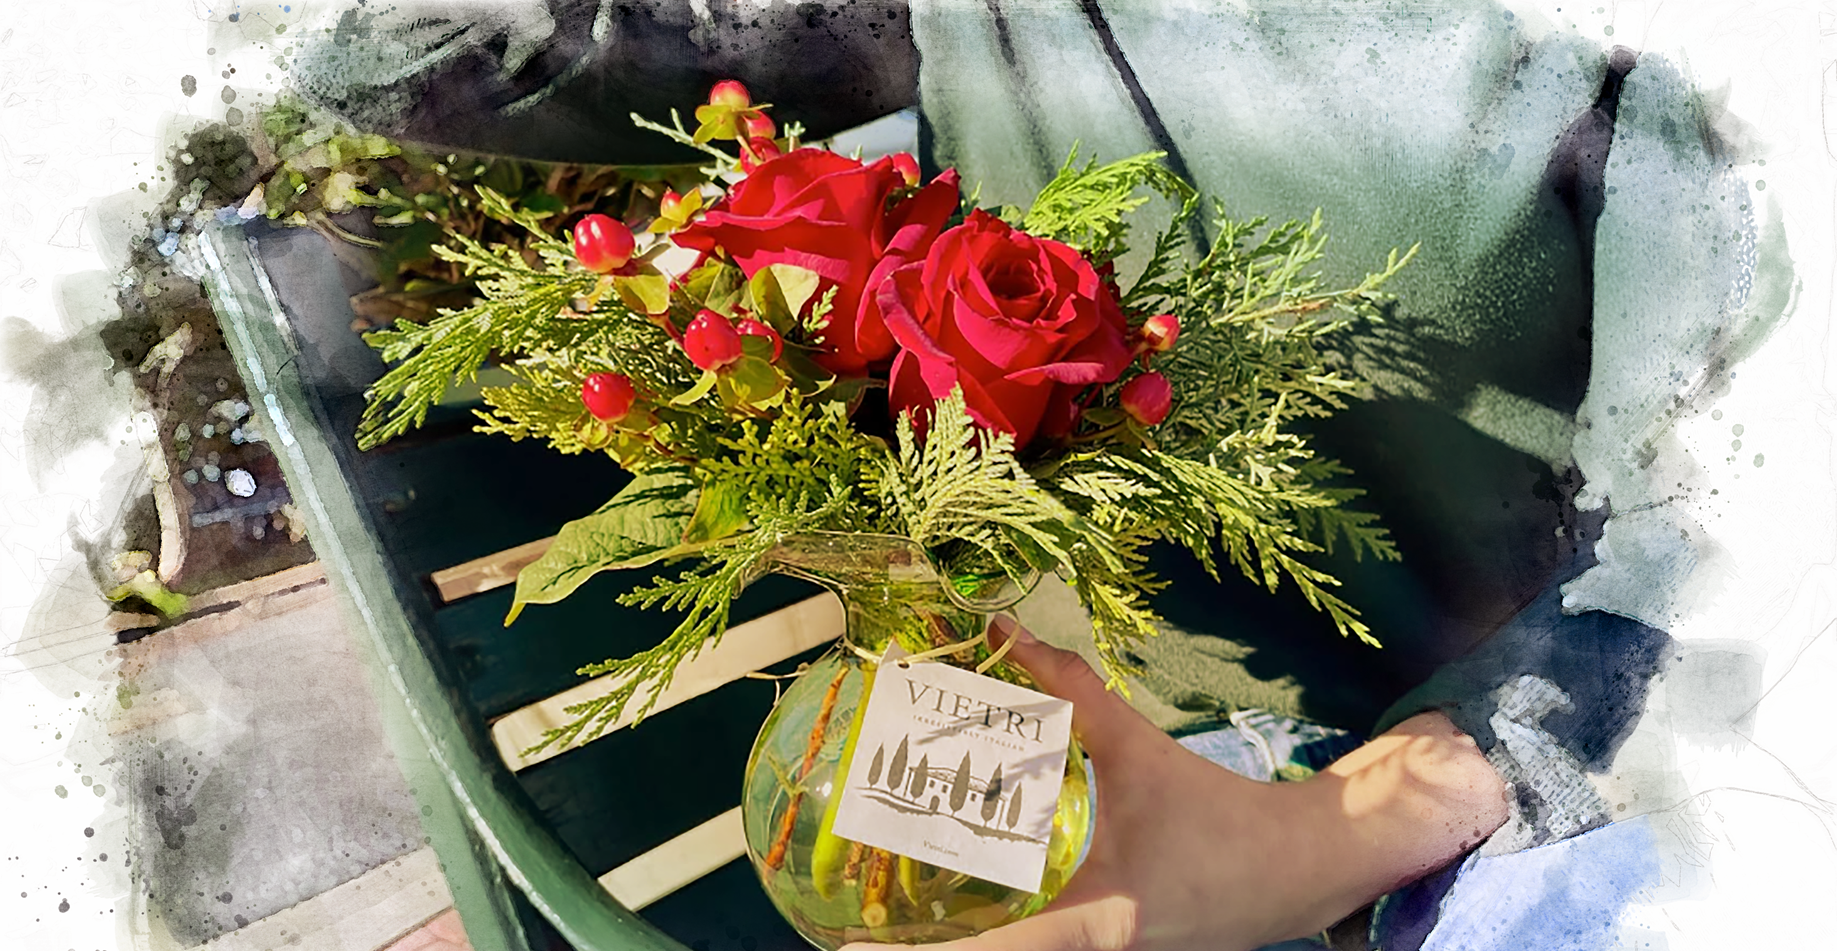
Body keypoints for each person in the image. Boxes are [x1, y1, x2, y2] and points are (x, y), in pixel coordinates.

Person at [291, 1, 1777, 946]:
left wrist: (1354, 827)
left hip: (1509, 797)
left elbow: (1736, 534)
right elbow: (384, 58)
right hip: (1040, 766)